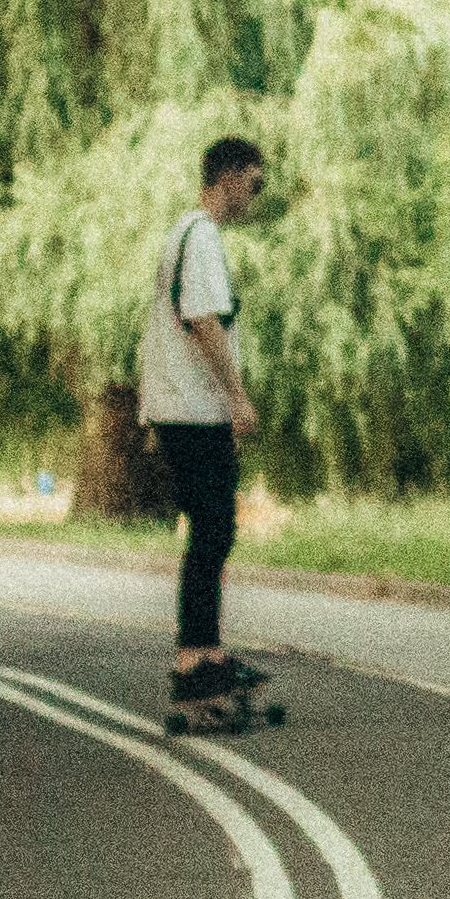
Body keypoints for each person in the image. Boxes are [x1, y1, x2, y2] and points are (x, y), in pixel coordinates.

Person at [142, 135, 266, 705]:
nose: (257, 196)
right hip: (192, 409)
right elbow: (203, 320)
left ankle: (206, 653)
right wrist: (237, 397)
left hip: (185, 408)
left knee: (213, 528)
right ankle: (193, 661)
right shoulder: (202, 237)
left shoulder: (186, 234)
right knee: (213, 528)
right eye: (256, 183)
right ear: (232, 176)